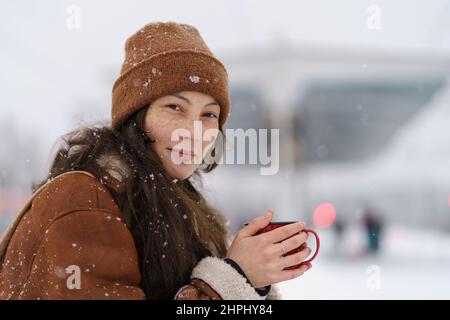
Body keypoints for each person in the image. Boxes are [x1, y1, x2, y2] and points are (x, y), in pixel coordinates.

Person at [0, 22, 312, 300]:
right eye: (175, 107)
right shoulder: (84, 200)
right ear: (136, 118)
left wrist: (252, 284)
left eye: (209, 115)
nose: (194, 130)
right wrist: (233, 278)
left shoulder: (183, 208)